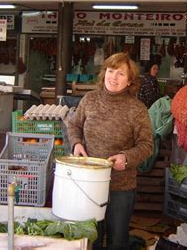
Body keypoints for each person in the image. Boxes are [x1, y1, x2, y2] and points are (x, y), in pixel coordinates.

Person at [67, 52, 153, 250]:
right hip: (88, 183)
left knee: (117, 241)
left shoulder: (137, 109)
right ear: (104, 73)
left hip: (121, 187)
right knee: (91, 239)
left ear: (130, 81)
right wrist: (76, 144)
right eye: (111, 71)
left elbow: (146, 145)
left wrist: (126, 157)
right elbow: (74, 126)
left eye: (121, 74)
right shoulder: (89, 100)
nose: (113, 77)